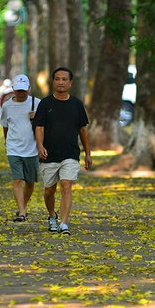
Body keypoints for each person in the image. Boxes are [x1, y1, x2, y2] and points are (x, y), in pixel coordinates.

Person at [33, 67, 92, 235]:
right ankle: (52, 216)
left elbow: (83, 130)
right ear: (53, 82)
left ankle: (64, 223)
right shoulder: (45, 104)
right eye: (57, 79)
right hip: (49, 154)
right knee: (49, 190)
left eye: (64, 79)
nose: (61, 82)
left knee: (66, 186)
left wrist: (88, 153)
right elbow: (39, 127)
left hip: (70, 153)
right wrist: (40, 146)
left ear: (70, 83)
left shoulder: (77, 104)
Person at [0, 74, 40, 222]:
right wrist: (7, 143)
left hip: (32, 148)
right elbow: (5, 126)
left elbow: (45, 126)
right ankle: (22, 213)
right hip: (13, 148)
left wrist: (37, 117)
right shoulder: (7, 106)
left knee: (30, 182)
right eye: (18, 90)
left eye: (23, 90)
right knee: (18, 180)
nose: (21, 93)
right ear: (13, 90)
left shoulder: (37, 103)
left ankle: (22, 206)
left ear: (29, 88)